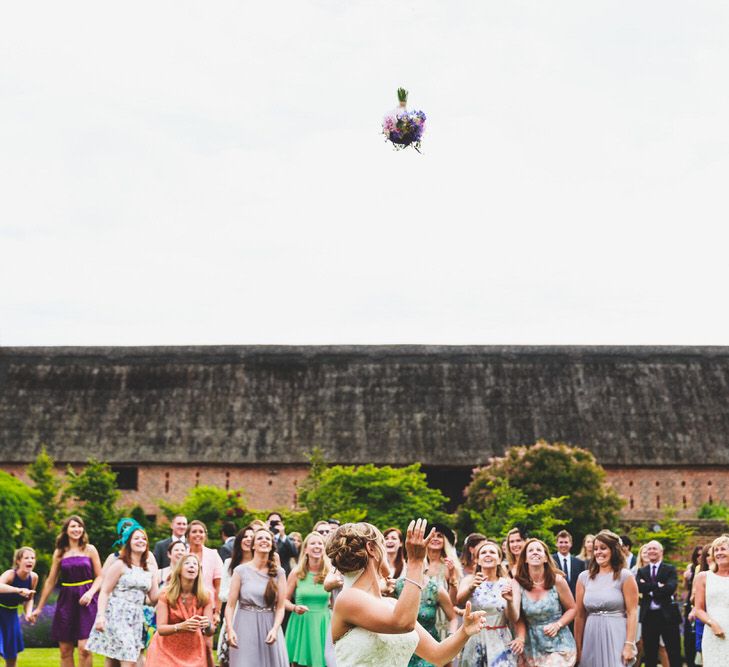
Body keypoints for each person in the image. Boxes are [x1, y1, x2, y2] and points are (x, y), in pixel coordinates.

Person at [326, 519, 489, 667]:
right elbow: (403, 623)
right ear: (371, 549)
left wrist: (464, 632)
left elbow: (438, 655)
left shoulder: (392, 604)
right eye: (382, 543)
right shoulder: (348, 598)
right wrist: (416, 563)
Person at [31, 515, 102, 667]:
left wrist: (90, 593)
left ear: (83, 529)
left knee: (85, 648)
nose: (77, 529)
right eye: (73, 526)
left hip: (87, 600)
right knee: (65, 649)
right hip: (66, 600)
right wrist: (39, 608)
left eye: (79, 526)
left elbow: (100, 577)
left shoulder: (90, 549)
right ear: (66, 530)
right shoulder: (59, 552)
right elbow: (51, 580)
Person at [87, 527, 159, 666]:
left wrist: (172, 586)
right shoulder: (120, 565)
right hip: (116, 615)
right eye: (136, 538)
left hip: (136, 618)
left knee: (114, 659)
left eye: (144, 539)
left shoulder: (149, 569)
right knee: (129, 658)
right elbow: (105, 591)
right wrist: (101, 616)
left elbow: (154, 597)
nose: (141, 541)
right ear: (129, 543)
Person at [505, 537, 576, 666]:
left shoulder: (557, 581)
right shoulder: (517, 582)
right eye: (530, 550)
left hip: (558, 642)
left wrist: (558, 624)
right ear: (525, 559)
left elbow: (572, 609)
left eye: (539, 550)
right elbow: (516, 616)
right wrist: (509, 602)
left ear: (545, 558)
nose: (535, 552)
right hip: (532, 644)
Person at [226, 526, 289, 667]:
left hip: (270, 625)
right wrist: (230, 629)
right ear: (253, 545)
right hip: (244, 624)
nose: (264, 541)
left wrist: (275, 628)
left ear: (272, 545)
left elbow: (280, 607)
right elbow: (230, 606)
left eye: (267, 538)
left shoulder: (279, 573)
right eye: (260, 538)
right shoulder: (240, 571)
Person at [574, 530, 639, 667]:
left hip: (616, 634)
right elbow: (579, 615)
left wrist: (629, 644)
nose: (598, 552)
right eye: (596, 549)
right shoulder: (584, 577)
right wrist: (578, 647)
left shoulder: (625, 576)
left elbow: (632, 612)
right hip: (591, 635)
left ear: (613, 550)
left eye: (603, 548)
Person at [456, 540, 518, 667]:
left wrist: (510, 601)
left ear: (499, 559)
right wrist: (471, 588)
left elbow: (513, 618)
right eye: (483, 552)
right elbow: (459, 602)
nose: (488, 554)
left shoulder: (508, 583)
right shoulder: (469, 580)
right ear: (478, 560)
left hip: (500, 639)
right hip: (475, 637)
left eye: (492, 552)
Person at [145, 553, 214, 667]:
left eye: (195, 564)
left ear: (198, 571)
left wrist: (207, 625)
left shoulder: (205, 596)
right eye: (187, 563)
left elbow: (210, 631)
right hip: (165, 649)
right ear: (179, 570)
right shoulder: (166, 594)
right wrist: (181, 626)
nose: (191, 566)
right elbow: (161, 628)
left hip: (193, 650)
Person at [285, 532, 332, 667]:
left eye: (320, 543)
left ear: (324, 548)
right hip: (301, 623)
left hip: (323, 623)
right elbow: (283, 600)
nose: (317, 546)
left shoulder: (331, 573)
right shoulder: (296, 573)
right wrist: (294, 607)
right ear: (305, 549)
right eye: (312, 543)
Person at [635, 540, 682, 667]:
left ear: (661, 552)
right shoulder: (642, 571)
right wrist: (658, 586)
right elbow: (639, 587)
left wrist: (649, 588)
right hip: (649, 616)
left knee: (674, 652)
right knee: (650, 654)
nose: (651, 551)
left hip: (668, 616)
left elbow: (670, 588)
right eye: (649, 549)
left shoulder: (670, 569)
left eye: (654, 548)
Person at [219, 525, 255, 667]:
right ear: (239, 540)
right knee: (230, 659)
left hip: (254, 617)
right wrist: (239, 592)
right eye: (245, 536)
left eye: (252, 537)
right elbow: (222, 594)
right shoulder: (229, 564)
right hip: (233, 616)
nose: (248, 540)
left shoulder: (261, 566)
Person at [692, 534, 729, 667]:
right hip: (714, 633)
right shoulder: (704, 577)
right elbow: (698, 609)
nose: (719, 553)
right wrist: (712, 624)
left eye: (723, 549)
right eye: (716, 550)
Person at [0, 547, 38, 667]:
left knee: (11, 655)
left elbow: (29, 598)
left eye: (32, 558)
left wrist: (28, 613)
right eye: (26, 558)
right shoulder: (10, 574)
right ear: (18, 561)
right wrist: (18, 590)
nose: (30, 560)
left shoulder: (33, 577)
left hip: (11, 616)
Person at [186, 520, 224, 631]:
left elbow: (219, 586)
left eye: (201, 532)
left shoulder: (213, 555)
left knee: (207, 645)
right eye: (194, 532)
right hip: (186, 606)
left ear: (205, 535)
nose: (198, 534)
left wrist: (217, 612)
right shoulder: (183, 555)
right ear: (188, 536)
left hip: (208, 606)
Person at [683, 545, 703, 667]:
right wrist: (686, 578)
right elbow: (686, 588)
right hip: (691, 602)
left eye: (702, 555)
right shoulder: (691, 568)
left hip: (701, 603)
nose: (700, 557)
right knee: (689, 635)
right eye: (698, 555)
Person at [552, 530, 586, 598]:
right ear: (556, 544)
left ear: (571, 544)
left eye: (566, 542)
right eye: (561, 542)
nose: (563, 545)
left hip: (575, 599)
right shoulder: (550, 561)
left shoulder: (580, 563)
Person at [267, 512, 299, 577]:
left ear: (282, 523)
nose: (274, 524)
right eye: (272, 522)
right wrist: (266, 530)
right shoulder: (263, 540)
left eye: (277, 522)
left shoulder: (287, 539)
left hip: (284, 575)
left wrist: (283, 535)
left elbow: (294, 553)